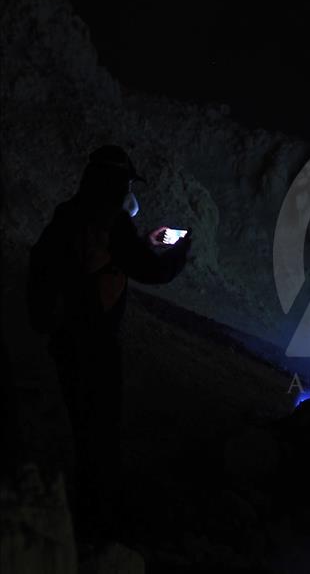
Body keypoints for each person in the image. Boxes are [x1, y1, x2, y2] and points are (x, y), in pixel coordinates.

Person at [26, 144, 192, 540]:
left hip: (64, 338)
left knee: (84, 425)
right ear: (116, 183)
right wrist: (179, 253)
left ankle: (87, 508)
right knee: (102, 430)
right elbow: (149, 269)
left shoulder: (70, 214)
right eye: (126, 184)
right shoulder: (111, 221)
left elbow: (104, 258)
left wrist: (143, 241)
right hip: (95, 343)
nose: (128, 192)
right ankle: (100, 523)